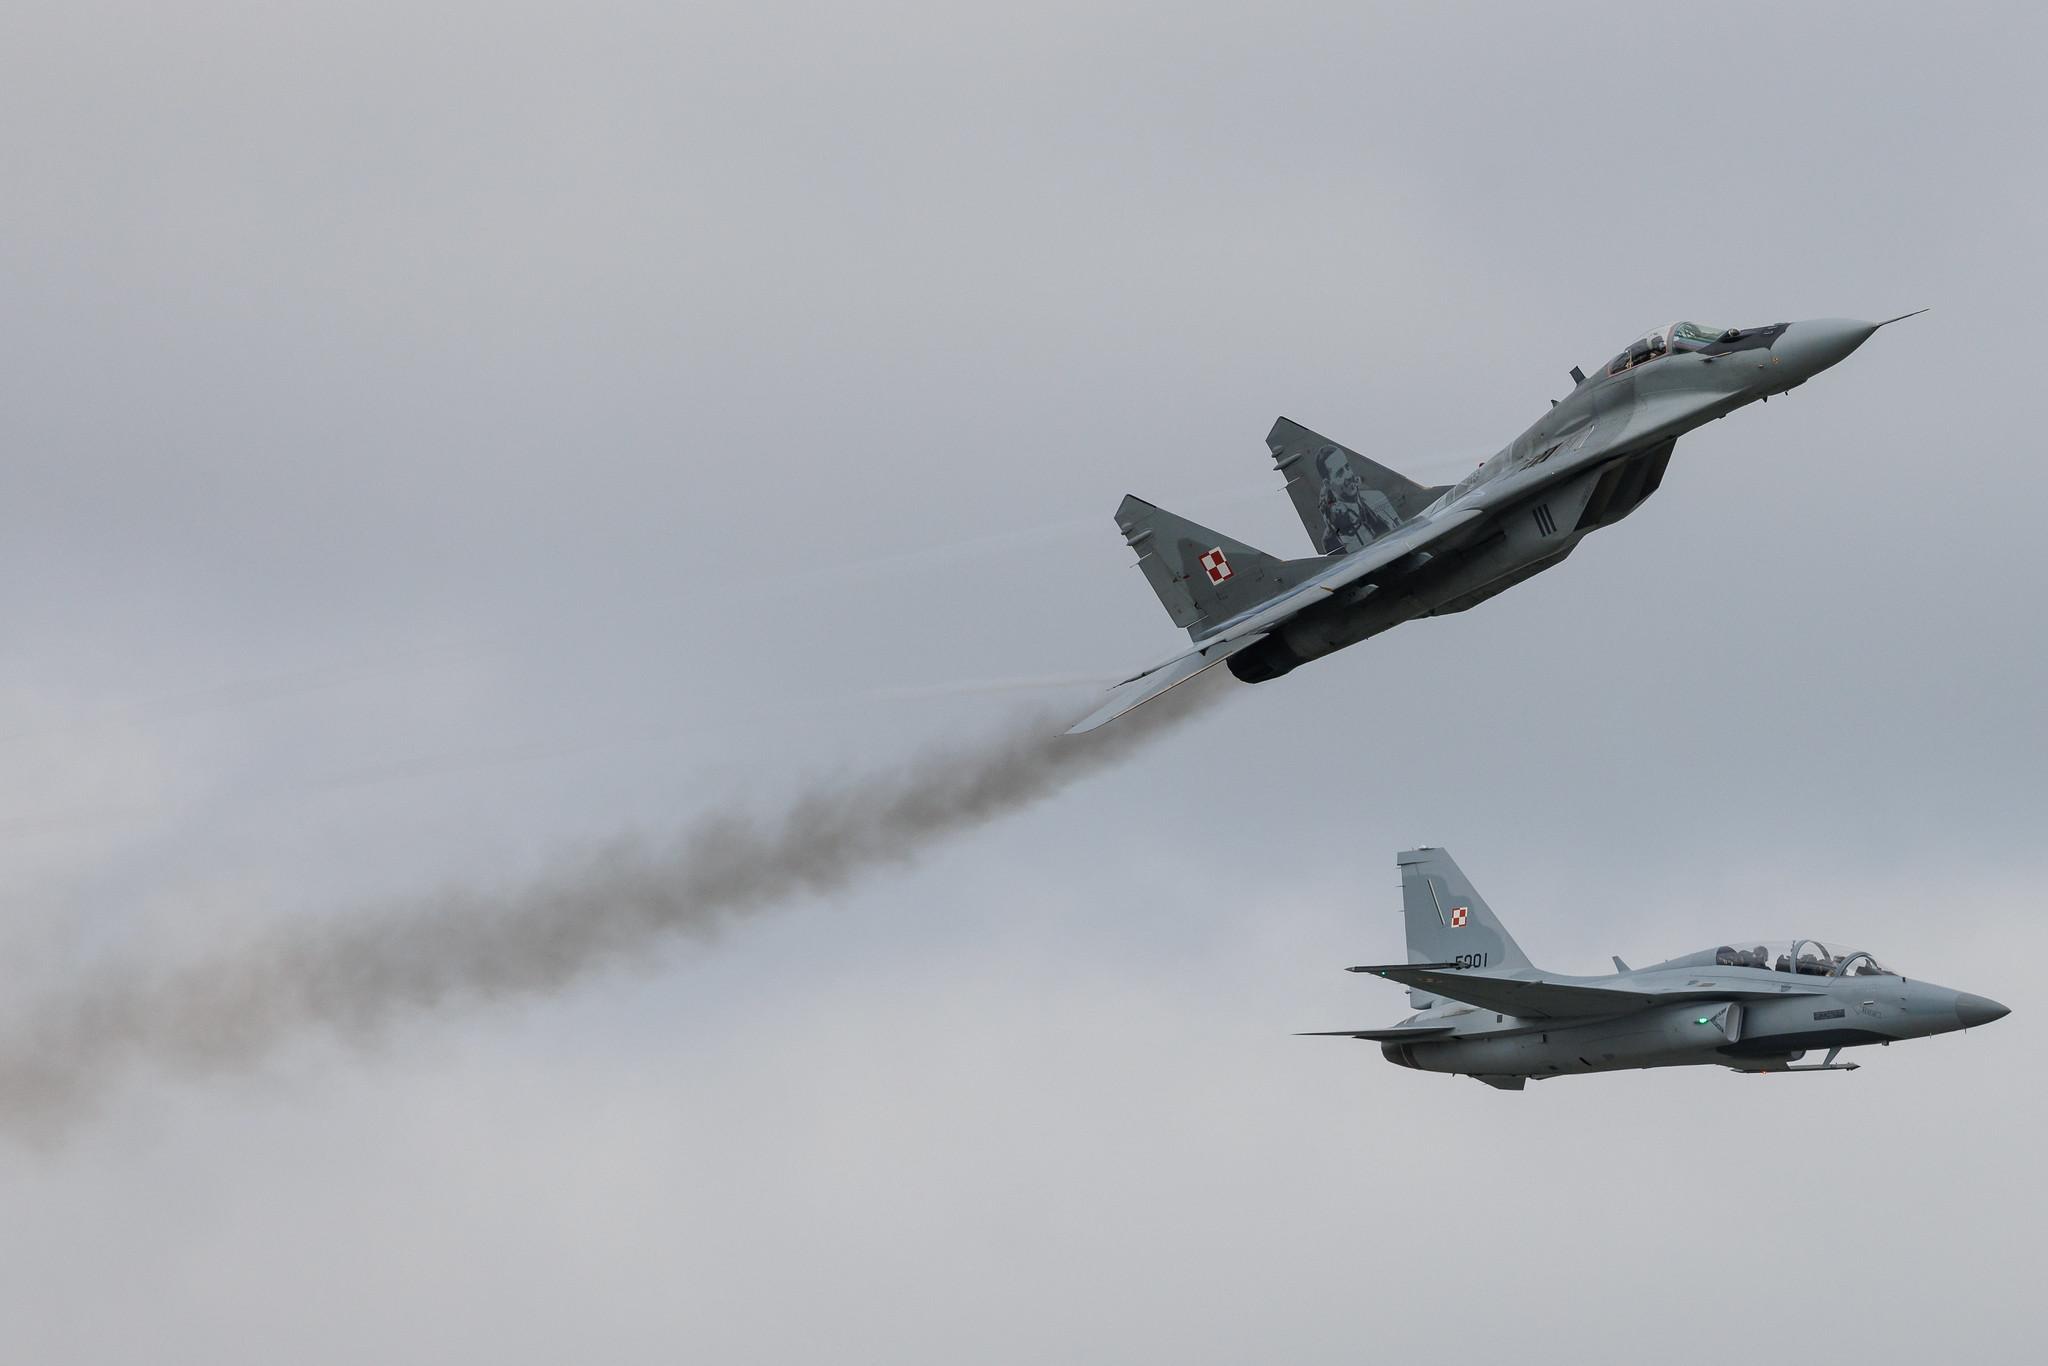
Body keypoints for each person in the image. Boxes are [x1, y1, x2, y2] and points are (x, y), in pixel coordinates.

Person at [1314, 446, 1400, 553]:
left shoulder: (1377, 497)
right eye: (1340, 473)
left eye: (1347, 467)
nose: (1349, 475)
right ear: (1328, 484)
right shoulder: (1332, 537)